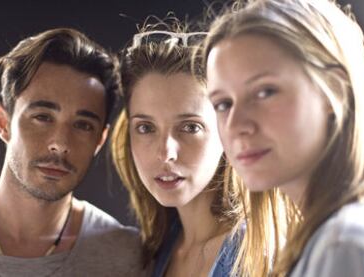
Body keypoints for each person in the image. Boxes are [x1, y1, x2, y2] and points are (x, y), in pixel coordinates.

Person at [202, 0, 364, 276]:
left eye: (265, 92)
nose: (236, 124)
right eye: (223, 104)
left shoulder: (345, 246)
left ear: (334, 90)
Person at [111, 22, 282, 276]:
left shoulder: (256, 258)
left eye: (190, 127)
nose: (166, 152)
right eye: (146, 127)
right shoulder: (161, 249)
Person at [0, 28, 145, 276]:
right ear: (3, 123)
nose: (60, 143)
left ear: (100, 139)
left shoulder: (124, 257)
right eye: (43, 117)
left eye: (83, 125)